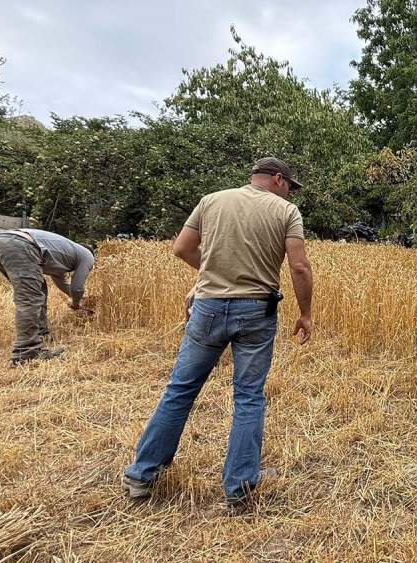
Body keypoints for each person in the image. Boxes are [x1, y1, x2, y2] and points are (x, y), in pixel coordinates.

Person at [123, 157, 314, 513]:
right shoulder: (286, 211)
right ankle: (238, 488)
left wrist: (210, 272)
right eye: (289, 185)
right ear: (278, 179)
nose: (290, 192)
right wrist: (305, 313)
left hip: (208, 308)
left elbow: (181, 248)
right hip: (256, 310)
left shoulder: (211, 201)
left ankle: (141, 475)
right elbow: (299, 266)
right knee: (249, 397)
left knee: (180, 390)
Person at [0, 228, 95, 366]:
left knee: (39, 288)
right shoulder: (88, 255)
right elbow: (77, 288)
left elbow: (62, 283)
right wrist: (76, 304)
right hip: (18, 245)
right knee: (29, 297)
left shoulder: (64, 253)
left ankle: (41, 333)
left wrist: (79, 298)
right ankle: (27, 352)